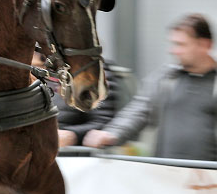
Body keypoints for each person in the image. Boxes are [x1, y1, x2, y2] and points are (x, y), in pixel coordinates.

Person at [83, 14, 217, 160]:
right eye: (173, 44)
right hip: (166, 173)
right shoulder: (166, 78)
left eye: (181, 44)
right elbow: (139, 110)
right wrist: (112, 133)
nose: (173, 50)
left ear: (205, 45)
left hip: (210, 176)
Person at [31, 52, 121, 147]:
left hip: (72, 154)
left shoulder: (91, 69)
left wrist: (73, 135)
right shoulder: (25, 73)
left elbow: (104, 122)